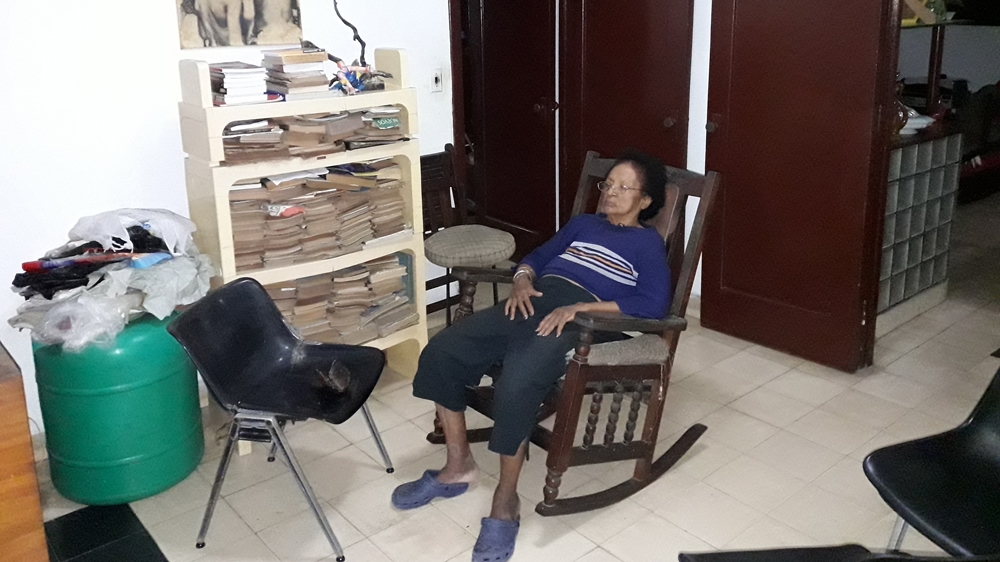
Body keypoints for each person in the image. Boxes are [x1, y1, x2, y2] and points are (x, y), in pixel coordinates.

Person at [391, 149, 670, 562]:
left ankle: (505, 500)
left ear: (645, 201)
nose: (611, 193)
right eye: (607, 184)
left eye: (624, 187)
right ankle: (458, 466)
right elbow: (539, 256)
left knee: (518, 383)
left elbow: (654, 303)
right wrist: (522, 278)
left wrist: (579, 309)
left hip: (577, 319)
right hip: (532, 300)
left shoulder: (646, 243)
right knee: (444, 350)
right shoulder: (582, 224)